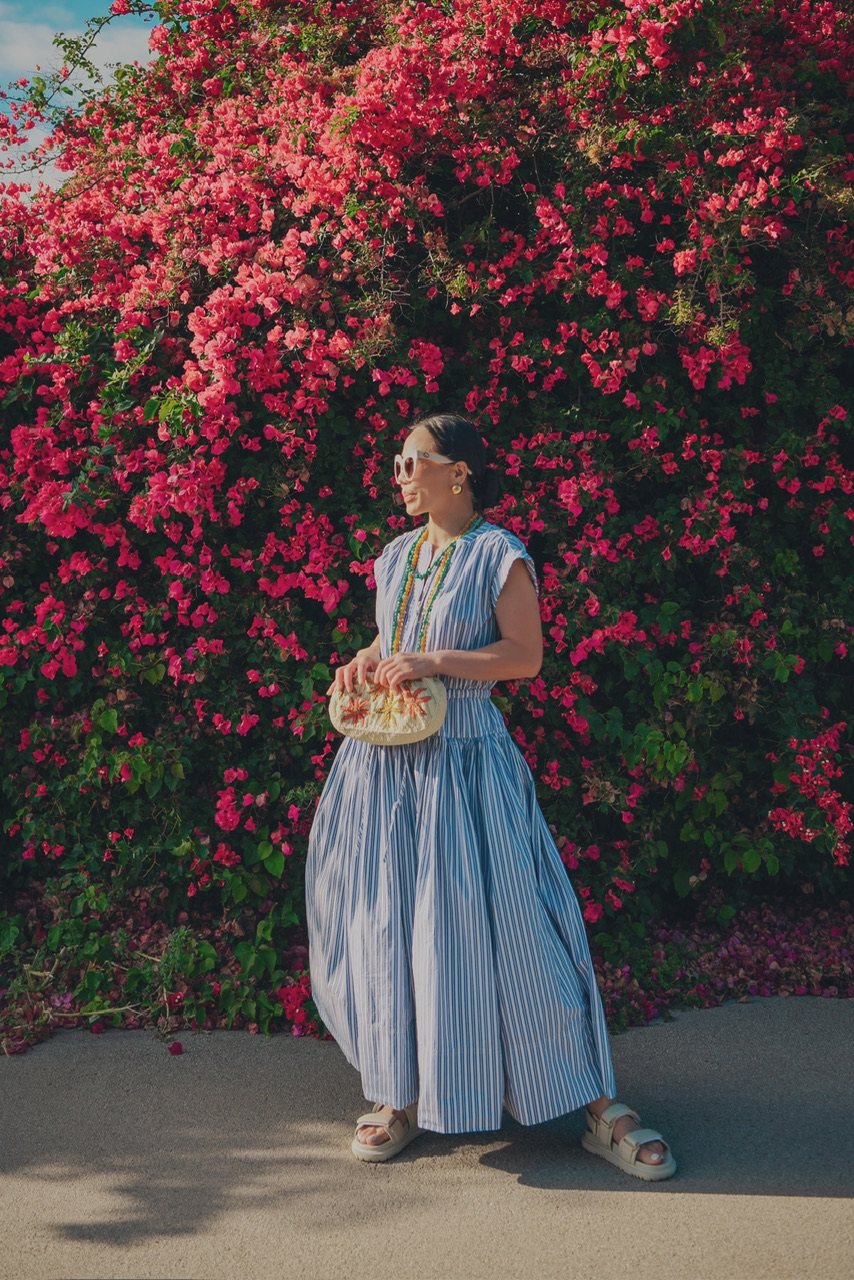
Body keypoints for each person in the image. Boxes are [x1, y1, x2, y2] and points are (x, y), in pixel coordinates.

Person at [306, 412, 676, 1181]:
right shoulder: (397, 555)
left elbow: (525, 656)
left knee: (520, 932)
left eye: (413, 462)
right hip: (383, 768)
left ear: (460, 472)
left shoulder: (498, 555)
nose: (400, 476)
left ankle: (597, 1105)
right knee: (391, 928)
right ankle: (400, 1095)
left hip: (467, 765)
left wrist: (431, 659)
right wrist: (361, 660)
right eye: (400, 464)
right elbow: (389, 638)